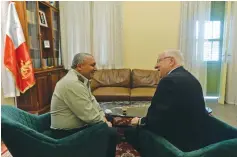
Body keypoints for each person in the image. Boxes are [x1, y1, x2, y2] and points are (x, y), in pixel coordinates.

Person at [126, 49, 209, 152]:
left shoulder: (169, 81)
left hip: (175, 142)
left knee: (129, 131)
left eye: (159, 61)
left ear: (171, 61)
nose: (155, 66)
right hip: (195, 137)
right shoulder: (191, 78)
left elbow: (157, 120)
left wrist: (139, 121)